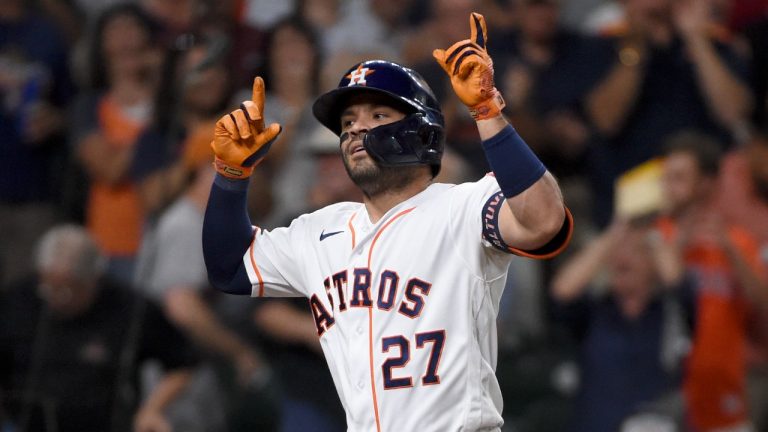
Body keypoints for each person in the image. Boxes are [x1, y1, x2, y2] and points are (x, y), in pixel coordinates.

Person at [202, 12, 572, 431]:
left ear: (423, 132)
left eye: (378, 116)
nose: (356, 130)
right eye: (347, 122)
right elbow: (229, 267)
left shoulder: (464, 207)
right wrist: (230, 177)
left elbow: (544, 220)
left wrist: (487, 111)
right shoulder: (318, 232)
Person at [0, 224, 198, 432]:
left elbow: (182, 362)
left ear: (94, 279)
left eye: (67, 291)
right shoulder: (16, 301)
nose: (55, 299)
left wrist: (152, 410)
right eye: (47, 288)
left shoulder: (131, 309)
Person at [655, 131, 767, 431]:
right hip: (662, 386)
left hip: (723, 388)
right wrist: (679, 242)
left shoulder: (736, 241)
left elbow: (762, 302)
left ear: (706, 183)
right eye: (665, 177)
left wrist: (730, 250)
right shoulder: (656, 235)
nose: (667, 187)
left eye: (678, 178)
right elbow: (663, 284)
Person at [550, 217, 695, 432]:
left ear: (654, 263)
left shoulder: (671, 314)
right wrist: (610, 238)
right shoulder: (595, 312)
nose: (623, 258)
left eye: (636, 252)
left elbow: (678, 282)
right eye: (617, 251)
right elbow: (561, 293)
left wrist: (653, 236)